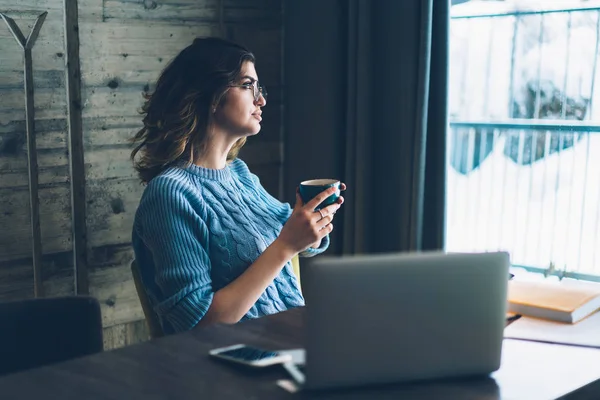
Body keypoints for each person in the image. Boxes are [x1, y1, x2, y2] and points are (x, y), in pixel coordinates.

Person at [130, 37, 345, 334]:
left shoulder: (240, 176)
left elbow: (297, 237)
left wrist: (314, 223)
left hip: (297, 343)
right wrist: (286, 245)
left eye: (259, 89)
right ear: (209, 94)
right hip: (237, 364)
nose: (261, 100)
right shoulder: (170, 194)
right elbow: (199, 325)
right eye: (247, 86)